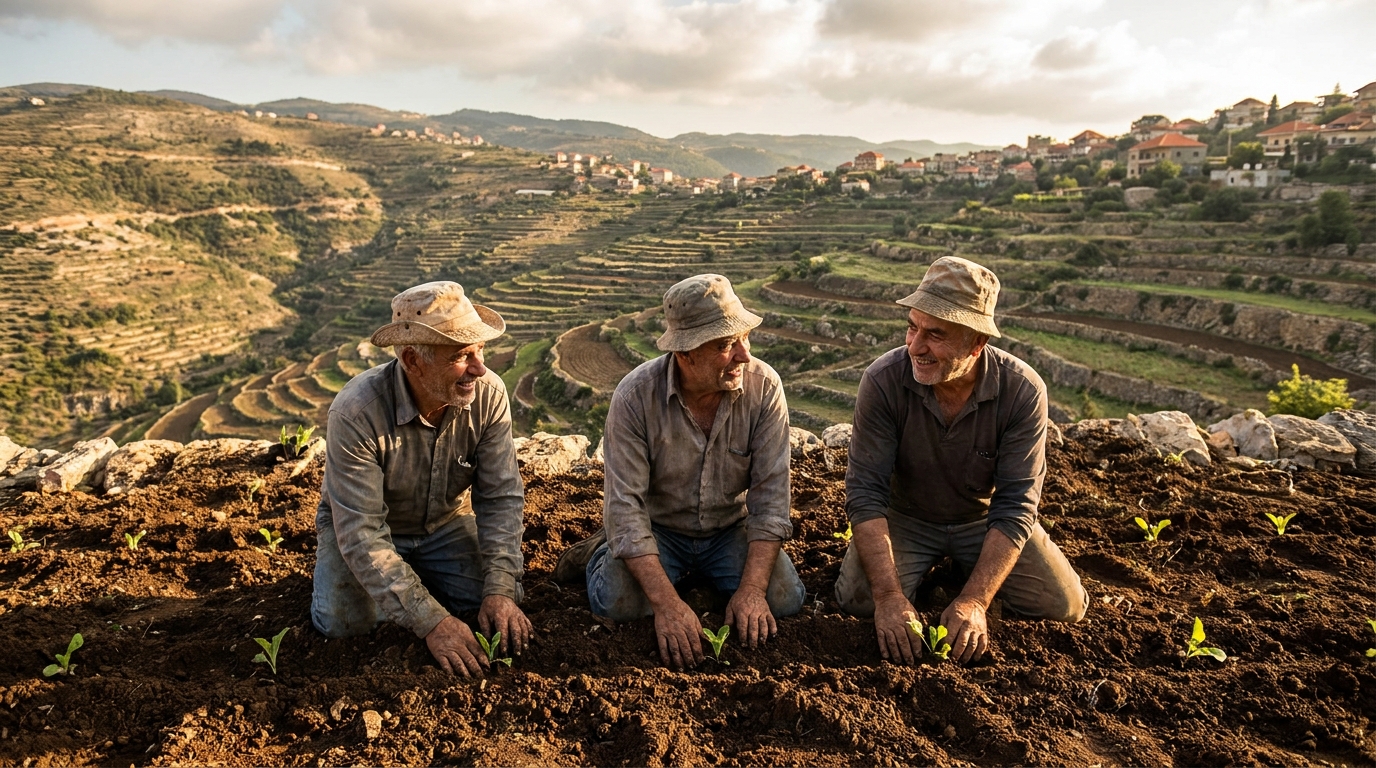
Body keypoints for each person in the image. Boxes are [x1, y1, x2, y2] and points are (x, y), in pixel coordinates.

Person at [836, 256, 1087, 665]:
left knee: (1065, 605)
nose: (916, 346)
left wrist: (975, 600)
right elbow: (865, 493)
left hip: (981, 522)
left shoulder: (1022, 391)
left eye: (935, 334)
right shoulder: (883, 381)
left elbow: (1016, 507)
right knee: (857, 601)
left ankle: (962, 577)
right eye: (912, 327)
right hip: (908, 518)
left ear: (976, 344)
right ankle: (927, 573)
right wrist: (888, 597)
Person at [554, 274, 806, 669]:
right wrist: (667, 605)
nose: (743, 355)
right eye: (725, 345)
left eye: (745, 339)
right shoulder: (635, 397)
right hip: (660, 529)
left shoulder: (765, 388)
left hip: (728, 529)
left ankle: (705, 578)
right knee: (616, 603)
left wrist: (753, 590)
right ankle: (599, 552)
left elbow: (771, 500)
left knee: (785, 598)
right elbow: (627, 508)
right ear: (685, 354)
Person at [311, 281, 532, 678]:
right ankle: (364, 584)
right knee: (343, 624)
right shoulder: (357, 413)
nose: (479, 368)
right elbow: (362, 532)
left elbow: (500, 496)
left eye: (480, 351)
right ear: (412, 360)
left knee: (494, 601)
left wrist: (500, 587)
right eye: (463, 356)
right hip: (371, 532)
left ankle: (409, 587)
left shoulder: (489, 394)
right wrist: (432, 623)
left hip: (445, 524)